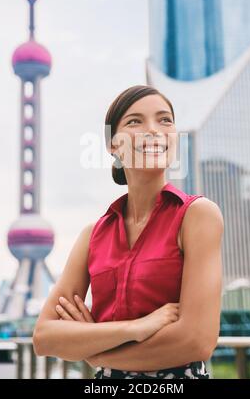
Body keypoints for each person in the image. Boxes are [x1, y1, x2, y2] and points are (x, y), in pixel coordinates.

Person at [33, 85, 224, 379]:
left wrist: (94, 350)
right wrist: (134, 328)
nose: (153, 130)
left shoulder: (198, 216)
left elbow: (197, 341)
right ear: (113, 145)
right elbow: (45, 336)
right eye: (135, 121)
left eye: (165, 120)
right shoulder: (92, 235)